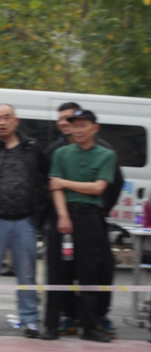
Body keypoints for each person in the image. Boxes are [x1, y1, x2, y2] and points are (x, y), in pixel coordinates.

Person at [43, 101, 123, 338]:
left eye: (83, 125)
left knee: (90, 272)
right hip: (64, 216)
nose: (77, 130)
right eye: (74, 125)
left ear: (94, 128)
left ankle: (89, 327)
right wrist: (63, 216)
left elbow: (98, 188)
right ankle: (51, 325)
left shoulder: (107, 155)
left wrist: (65, 183)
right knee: (57, 272)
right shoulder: (60, 153)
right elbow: (53, 187)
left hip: (91, 218)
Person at [0, 104, 48, 337]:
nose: (1, 122)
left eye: (6, 117)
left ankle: (30, 320)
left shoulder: (32, 148)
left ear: (16, 121)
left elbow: (44, 179)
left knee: (27, 273)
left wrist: (39, 212)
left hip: (25, 220)